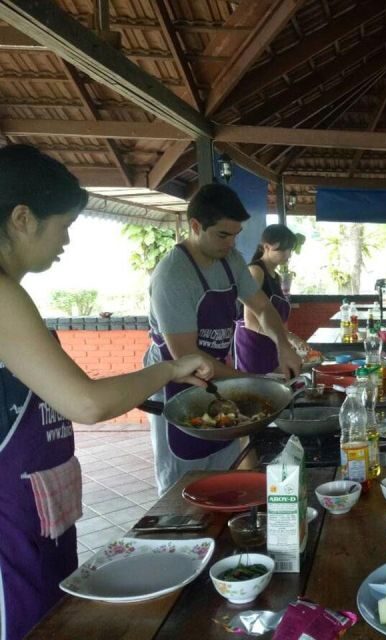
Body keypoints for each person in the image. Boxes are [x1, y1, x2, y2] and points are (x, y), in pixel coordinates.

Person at [0, 144, 213, 640]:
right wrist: (171, 368)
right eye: (64, 225)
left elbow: (74, 390)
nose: (67, 240)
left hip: (35, 509)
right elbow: (87, 402)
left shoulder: (13, 294)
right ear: (23, 218)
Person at [145, 184, 302, 495]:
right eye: (222, 235)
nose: (231, 243)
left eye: (235, 235)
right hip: (177, 382)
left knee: (225, 467)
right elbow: (187, 357)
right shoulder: (173, 276)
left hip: (217, 375)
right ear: (195, 226)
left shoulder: (231, 261)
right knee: (184, 483)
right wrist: (250, 382)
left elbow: (262, 307)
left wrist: (283, 346)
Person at [234, 223, 303, 374]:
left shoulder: (277, 277)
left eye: (290, 249)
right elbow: (250, 322)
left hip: (272, 344)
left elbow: (277, 319)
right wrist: (287, 338)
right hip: (252, 345)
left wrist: (287, 342)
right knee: (257, 386)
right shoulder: (256, 271)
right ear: (266, 247)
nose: (288, 254)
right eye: (283, 250)